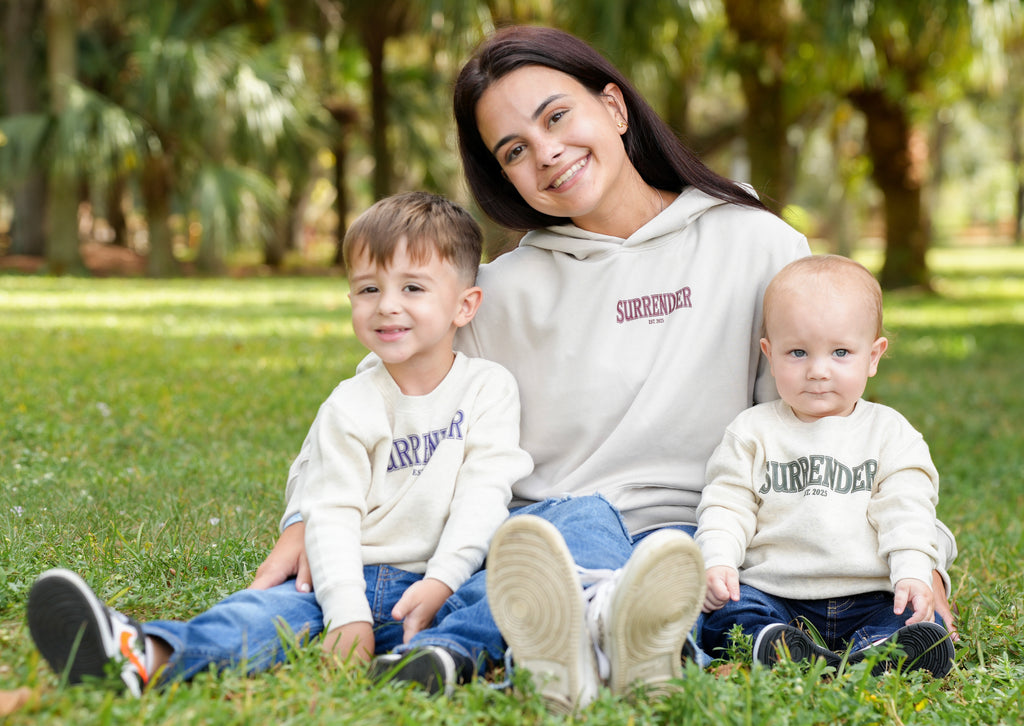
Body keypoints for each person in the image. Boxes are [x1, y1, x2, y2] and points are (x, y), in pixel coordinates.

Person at [26, 191, 533, 696]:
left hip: (449, 579)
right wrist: (347, 613)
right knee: (262, 613)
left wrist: (442, 580)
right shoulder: (350, 404)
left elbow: (484, 495)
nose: (387, 306)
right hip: (347, 576)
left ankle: (434, 656)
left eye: (413, 287)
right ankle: (143, 653)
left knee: (505, 592)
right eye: (368, 289)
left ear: (465, 305)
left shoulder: (488, 389)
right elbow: (330, 511)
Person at [696, 255, 955, 678]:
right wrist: (718, 561)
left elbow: (908, 511)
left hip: (869, 593)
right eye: (797, 352)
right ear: (769, 354)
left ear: (873, 356)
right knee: (726, 612)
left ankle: (875, 649)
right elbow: (727, 505)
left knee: (920, 620)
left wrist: (912, 573)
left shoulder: (890, 433)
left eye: (840, 352)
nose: (818, 371)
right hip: (777, 592)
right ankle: (781, 644)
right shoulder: (751, 431)